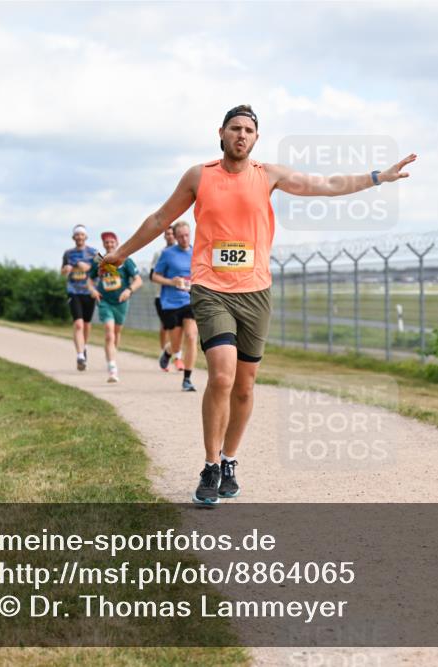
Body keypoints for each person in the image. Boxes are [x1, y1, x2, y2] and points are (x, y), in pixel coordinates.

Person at [103, 104, 416, 506]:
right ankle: (211, 465)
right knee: (221, 375)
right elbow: (160, 217)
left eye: (248, 130)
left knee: (245, 387)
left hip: (255, 292)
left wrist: (377, 177)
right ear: (221, 132)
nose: (241, 135)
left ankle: (230, 459)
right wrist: (121, 253)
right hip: (210, 288)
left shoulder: (268, 176)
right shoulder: (200, 176)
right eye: (235, 128)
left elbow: (327, 183)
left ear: (256, 138)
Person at [87, 231, 142, 383]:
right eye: (106, 243)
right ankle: (112, 368)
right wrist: (92, 290)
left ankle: (112, 358)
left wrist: (128, 290)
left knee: (116, 334)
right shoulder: (99, 260)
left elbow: (138, 280)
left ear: (117, 243)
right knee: (109, 333)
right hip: (105, 301)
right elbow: (89, 280)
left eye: (112, 242)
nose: (109, 245)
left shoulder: (125, 261)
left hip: (121, 302)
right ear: (103, 244)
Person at [151, 221, 198, 393]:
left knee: (192, 337)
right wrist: (171, 281)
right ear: (175, 237)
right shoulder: (167, 254)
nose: (184, 239)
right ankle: (169, 351)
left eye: (187, 235)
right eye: (181, 236)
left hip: (190, 301)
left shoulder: (197, 252)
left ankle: (187, 379)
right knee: (177, 344)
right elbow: (154, 276)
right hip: (171, 303)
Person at [61, 225, 99, 371]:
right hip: (73, 291)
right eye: (77, 235)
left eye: (82, 235)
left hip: (89, 291)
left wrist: (89, 267)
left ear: (85, 237)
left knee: (87, 324)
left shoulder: (94, 252)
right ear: (73, 238)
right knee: (78, 324)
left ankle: (84, 346)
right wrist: (66, 270)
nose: (79, 237)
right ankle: (80, 355)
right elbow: (63, 271)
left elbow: (105, 267)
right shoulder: (68, 253)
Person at [150, 225, 178, 371]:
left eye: (172, 233)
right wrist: (169, 281)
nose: (170, 236)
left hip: (182, 296)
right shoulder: (159, 253)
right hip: (162, 295)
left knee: (182, 328)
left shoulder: (184, 252)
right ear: (164, 236)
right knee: (165, 326)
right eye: (167, 234)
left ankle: (175, 354)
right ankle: (165, 353)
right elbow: (151, 275)